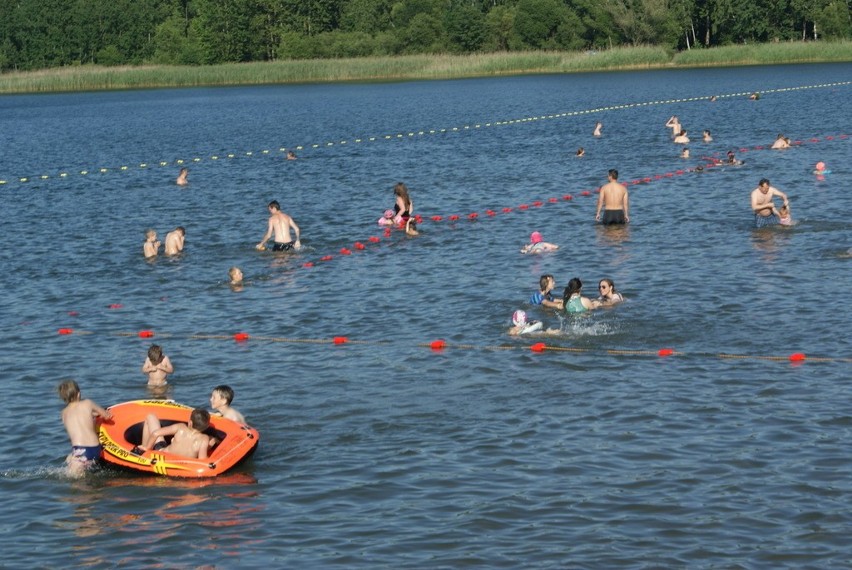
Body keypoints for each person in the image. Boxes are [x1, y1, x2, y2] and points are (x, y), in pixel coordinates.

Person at [58, 380, 113, 476]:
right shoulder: (88, 403)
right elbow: (106, 415)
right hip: (94, 449)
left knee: (75, 477)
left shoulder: (63, 413)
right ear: (78, 394)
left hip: (79, 450)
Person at [137, 408, 212, 458]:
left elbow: (155, 434)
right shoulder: (204, 439)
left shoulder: (181, 427)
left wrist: (147, 448)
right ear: (207, 427)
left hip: (163, 455)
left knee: (150, 417)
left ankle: (144, 449)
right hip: (181, 463)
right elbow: (202, 459)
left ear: (190, 423)